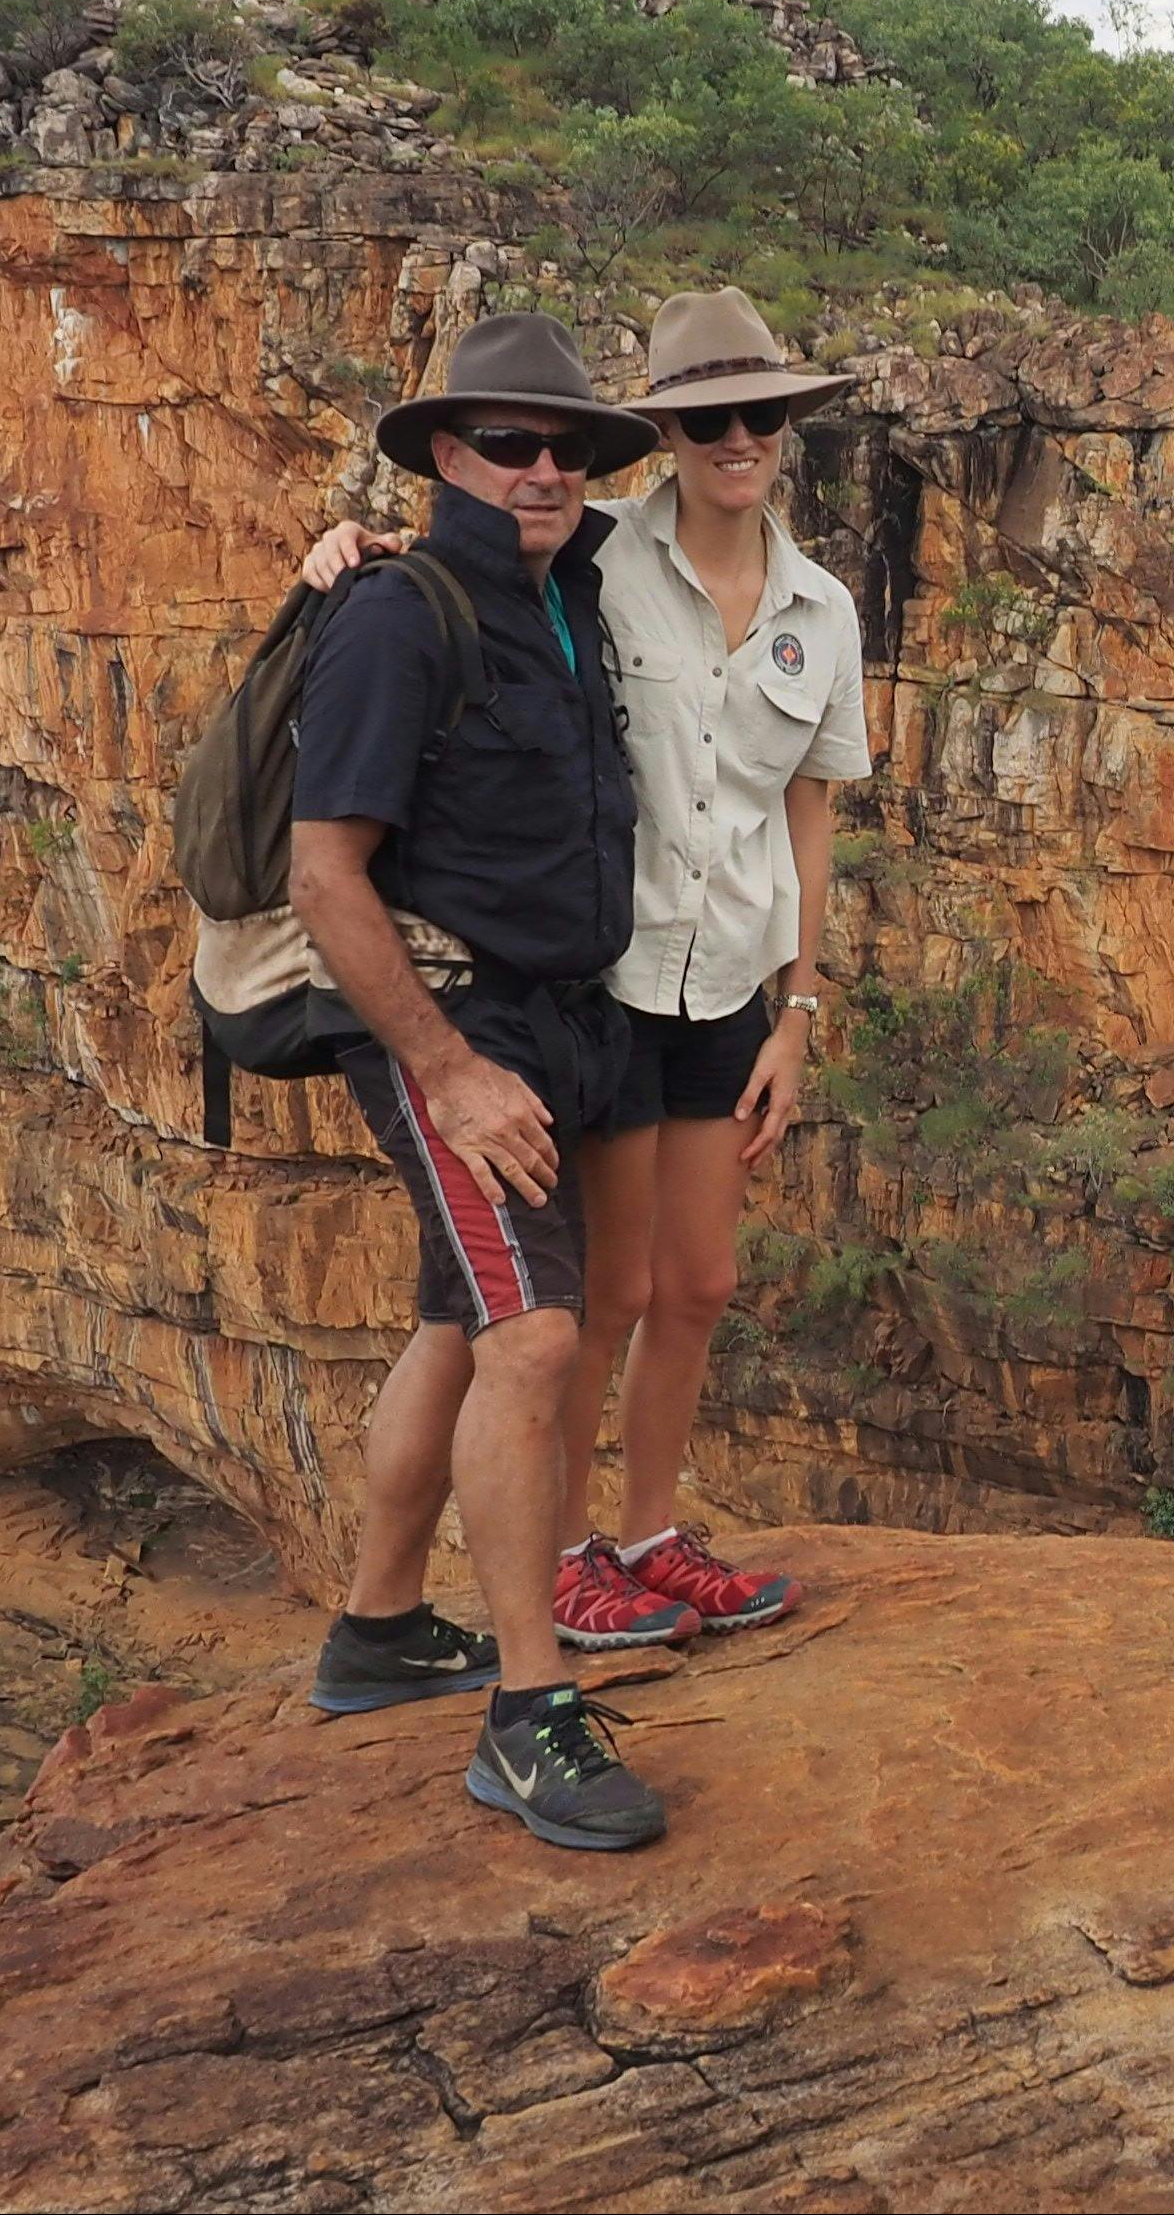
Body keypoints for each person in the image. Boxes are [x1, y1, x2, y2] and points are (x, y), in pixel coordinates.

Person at [306, 288, 867, 1651]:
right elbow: (456, 567)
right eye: (707, 417)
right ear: (666, 434)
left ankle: (651, 1530)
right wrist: (342, 547)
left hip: (732, 979)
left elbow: (810, 806)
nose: (740, 438)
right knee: (589, 1298)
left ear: (788, 426)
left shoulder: (821, 608)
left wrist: (803, 1004)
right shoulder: (599, 561)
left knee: (698, 1285)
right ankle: (558, 1561)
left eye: (762, 413)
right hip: (605, 987)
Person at [286, 310, 672, 1852]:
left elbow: (713, 517)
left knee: (459, 1317)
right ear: (445, 452)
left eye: (566, 446)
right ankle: (528, 1713)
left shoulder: (566, 586)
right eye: (507, 441)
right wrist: (446, 1074)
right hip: (457, 1028)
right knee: (537, 1336)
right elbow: (327, 876)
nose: (543, 468)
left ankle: (380, 1631)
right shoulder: (398, 613)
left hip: (567, 1020)